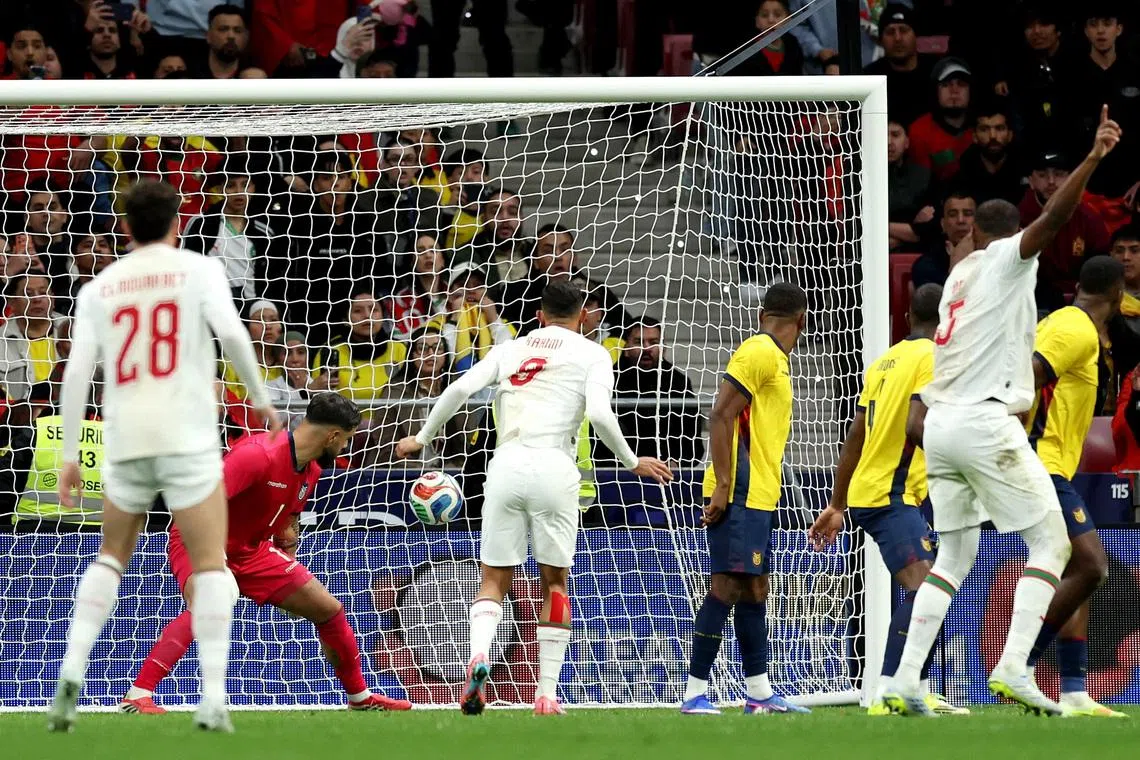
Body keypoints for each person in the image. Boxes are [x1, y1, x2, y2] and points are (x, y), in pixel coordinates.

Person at [881, 108, 1122, 717]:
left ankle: (906, 679)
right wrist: (1092, 159)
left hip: (942, 427)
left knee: (955, 558)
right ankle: (1014, 664)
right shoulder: (1008, 262)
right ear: (1011, 239)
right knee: (1053, 542)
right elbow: (1052, 219)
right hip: (986, 420)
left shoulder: (960, 274)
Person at [46, 180, 280, 733]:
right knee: (211, 566)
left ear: (124, 227)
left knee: (109, 558)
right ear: (178, 223)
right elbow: (233, 335)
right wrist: (263, 399)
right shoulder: (200, 271)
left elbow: (77, 372)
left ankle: (71, 674)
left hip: (127, 438)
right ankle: (214, 696)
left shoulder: (100, 286)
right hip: (188, 438)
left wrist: (71, 453)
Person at [394, 280, 671, 715]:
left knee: (493, 580)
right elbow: (599, 413)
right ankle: (545, 693)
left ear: (539, 315)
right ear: (583, 317)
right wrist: (632, 460)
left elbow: (458, 390)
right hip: (555, 469)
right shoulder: (593, 353)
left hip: (505, 466)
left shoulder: (511, 349)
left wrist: (423, 436)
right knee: (554, 583)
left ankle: (479, 656)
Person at [118, 393, 412, 713]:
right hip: (199, 538)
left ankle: (360, 699)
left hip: (252, 551)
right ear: (333, 435)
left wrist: (290, 567)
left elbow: (288, 520)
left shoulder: (310, 470)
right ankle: (138, 695)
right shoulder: (258, 454)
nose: (345, 449)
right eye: (346, 440)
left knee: (328, 609)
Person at [809, 283, 967, 716]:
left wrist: (838, 503)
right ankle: (885, 690)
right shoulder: (933, 358)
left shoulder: (885, 360)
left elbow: (856, 435)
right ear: (948, 318)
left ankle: (919, 688)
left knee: (932, 588)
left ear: (907, 317)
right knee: (925, 588)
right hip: (890, 492)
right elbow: (919, 428)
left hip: (873, 490)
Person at [680, 281, 811, 716]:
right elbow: (719, 413)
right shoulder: (758, 351)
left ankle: (758, 694)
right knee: (727, 586)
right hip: (737, 491)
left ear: (763, 314)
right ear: (803, 318)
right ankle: (694, 693)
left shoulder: (773, 357)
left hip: (759, 493)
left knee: (755, 589)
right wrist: (721, 484)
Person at [1020, 256, 1126, 717]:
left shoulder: (1074, 326)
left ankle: (1073, 687)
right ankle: (1019, 661)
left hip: (1057, 464)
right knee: (1091, 566)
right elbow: (1028, 378)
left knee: (1073, 572)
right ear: (1119, 295)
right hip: (1042, 465)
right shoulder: (1074, 328)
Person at [1019, 150, 1111, 311]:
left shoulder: (1088, 217)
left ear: (1071, 179)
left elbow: (1100, 264)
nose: (1051, 182)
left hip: (1081, 299)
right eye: (1042, 175)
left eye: (1059, 174)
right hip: (1030, 299)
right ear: (1031, 181)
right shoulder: (1019, 216)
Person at [865, 4, 936, 128]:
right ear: (881, 40)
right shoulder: (870, 78)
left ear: (915, 35)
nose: (897, 38)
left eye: (903, 30)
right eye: (890, 32)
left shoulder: (936, 72)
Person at [908, 57, 975, 183]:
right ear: (935, 91)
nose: (954, 90)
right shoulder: (919, 131)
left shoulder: (983, 126)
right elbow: (919, 187)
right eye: (946, 84)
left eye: (961, 84)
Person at [954, 101, 1025, 206]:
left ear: (1010, 135)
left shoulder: (1025, 168)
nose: (992, 136)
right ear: (974, 137)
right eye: (984, 129)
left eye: (1000, 128)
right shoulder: (963, 171)